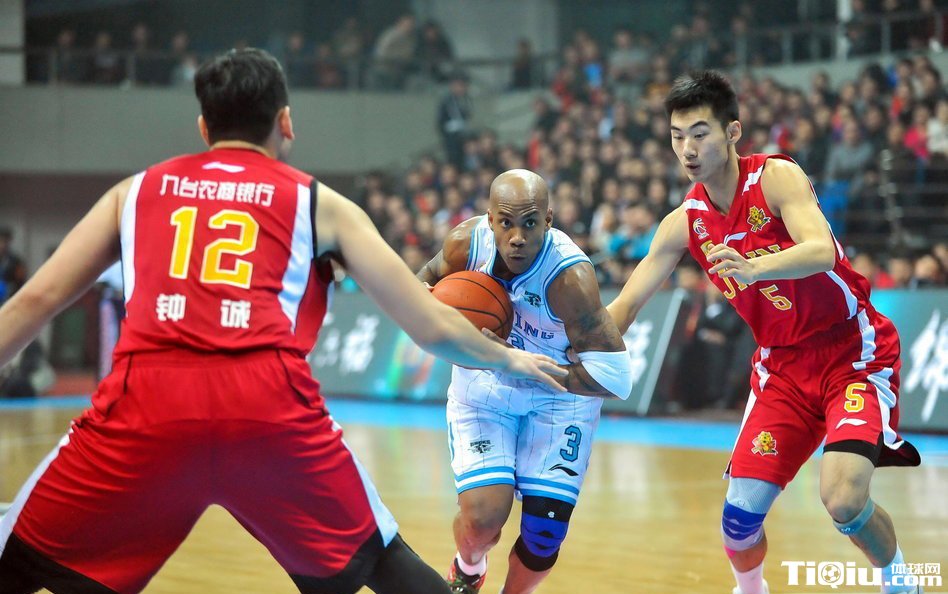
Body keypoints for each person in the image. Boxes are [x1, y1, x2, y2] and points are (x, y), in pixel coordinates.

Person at [0, 48, 567, 594]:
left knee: (16, 554)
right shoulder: (321, 205)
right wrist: (509, 357)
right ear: (285, 122)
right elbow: (430, 325)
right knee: (384, 560)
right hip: (267, 407)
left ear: (204, 127)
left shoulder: (134, 192)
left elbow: (36, 300)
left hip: (146, 401)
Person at [606, 71, 921, 594]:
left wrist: (755, 268)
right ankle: (750, 589)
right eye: (677, 136)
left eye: (700, 133)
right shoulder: (684, 221)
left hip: (852, 353)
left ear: (732, 131)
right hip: (782, 368)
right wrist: (565, 348)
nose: (687, 149)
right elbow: (624, 306)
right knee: (738, 520)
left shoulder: (775, 177)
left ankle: (901, 581)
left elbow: (821, 250)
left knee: (843, 500)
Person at [417, 169, 632, 594]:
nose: (517, 237)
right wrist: (433, 311)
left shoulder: (570, 279)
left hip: (559, 395)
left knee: (545, 533)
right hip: (485, 388)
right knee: (483, 520)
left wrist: (534, 367)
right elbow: (422, 283)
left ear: (548, 220)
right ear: (490, 219)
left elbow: (616, 377)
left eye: (530, 223)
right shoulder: (465, 244)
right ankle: (468, 566)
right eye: (506, 223)